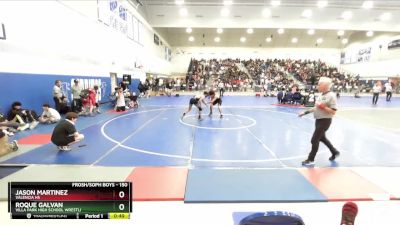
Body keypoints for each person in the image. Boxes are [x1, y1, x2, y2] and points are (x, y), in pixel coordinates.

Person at [299, 77, 340, 166]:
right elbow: (316, 107)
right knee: (322, 138)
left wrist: (324, 107)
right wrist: (305, 112)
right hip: (318, 120)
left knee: (314, 140)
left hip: (325, 121)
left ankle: (311, 159)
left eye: (319, 84)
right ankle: (335, 152)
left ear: (325, 85)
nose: (317, 86)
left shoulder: (331, 96)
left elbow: (333, 111)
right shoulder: (321, 95)